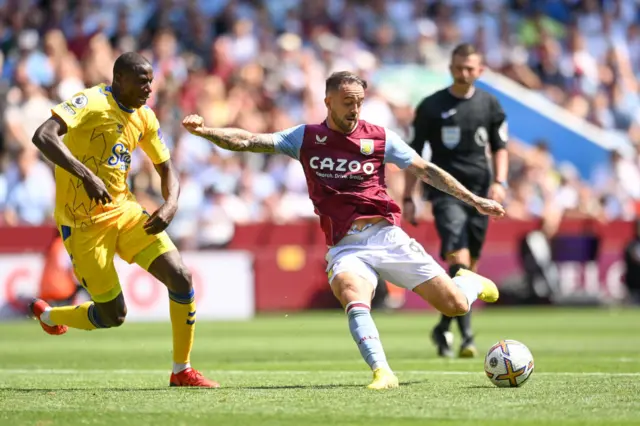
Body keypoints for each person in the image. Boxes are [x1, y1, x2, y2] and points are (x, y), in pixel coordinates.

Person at [182, 70, 505, 390]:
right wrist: (206, 131)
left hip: (386, 236)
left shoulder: (379, 137)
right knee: (351, 292)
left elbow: (426, 170)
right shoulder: (305, 138)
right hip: (346, 245)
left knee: (455, 305)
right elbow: (250, 141)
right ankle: (383, 372)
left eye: (359, 103)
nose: (354, 110)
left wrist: (473, 199)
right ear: (328, 102)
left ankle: (469, 283)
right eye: (348, 102)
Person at [29, 52, 218, 388]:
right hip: (84, 225)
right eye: (142, 81)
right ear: (119, 80)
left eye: (151, 80)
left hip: (125, 211)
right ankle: (49, 315)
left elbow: (166, 169)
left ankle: (181, 369)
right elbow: (43, 136)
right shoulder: (91, 101)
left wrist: (171, 203)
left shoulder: (145, 118)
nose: (149, 87)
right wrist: (85, 174)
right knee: (112, 315)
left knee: (181, 277)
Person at [402, 43, 509, 358]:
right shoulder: (431, 106)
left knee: (471, 269)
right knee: (459, 261)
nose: (464, 73)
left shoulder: (490, 105)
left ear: (480, 71)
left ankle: (442, 328)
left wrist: (500, 182)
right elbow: (412, 155)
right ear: (450, 68)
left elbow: (500, 145)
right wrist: (409, 196)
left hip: (481, 195)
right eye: (458, 67)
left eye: (470, 68)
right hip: (445, 193)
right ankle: (468, 338)